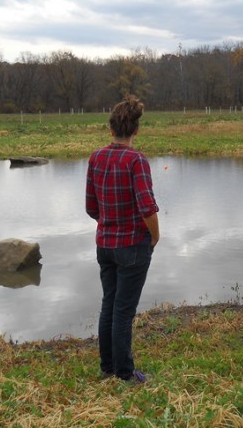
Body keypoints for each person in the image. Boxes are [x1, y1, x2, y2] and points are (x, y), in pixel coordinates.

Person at [85, 96, 160, 383]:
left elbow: (91, 207)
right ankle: (125, 374)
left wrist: (109, 223)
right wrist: (155, 235)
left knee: (109, 305)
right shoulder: (136, 160)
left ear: (111, 128)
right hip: (132, 245)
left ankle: (107, 368)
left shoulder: (96, 157)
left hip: (104, 243)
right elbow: (147, 207)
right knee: (124, 311)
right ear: (136, 130)